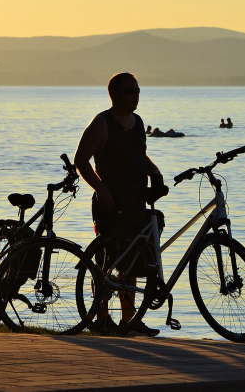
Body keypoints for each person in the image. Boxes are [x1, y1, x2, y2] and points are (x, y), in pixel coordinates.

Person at [73, 72, 162, 337]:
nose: (136, 96)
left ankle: (129, 320)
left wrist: (155, 173)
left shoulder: (137, 123)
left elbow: (139, 155)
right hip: (110, 202)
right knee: (106, 261)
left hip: (135, 199)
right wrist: (101, 189)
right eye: (131, 91)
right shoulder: (103, 123)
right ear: (115, 94)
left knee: (133, 260)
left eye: (138, 91)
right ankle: (101, 318)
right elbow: (81, 160)